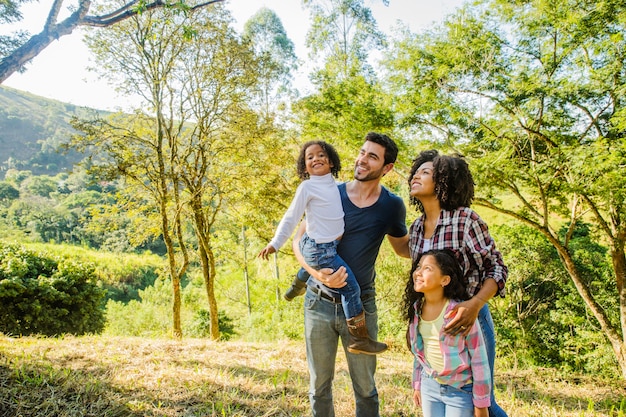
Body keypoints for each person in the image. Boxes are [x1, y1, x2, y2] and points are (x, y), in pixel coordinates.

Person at [292, 132, 409, 417]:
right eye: (362, 152)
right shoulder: (330, 193)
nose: (362, 160)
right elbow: (298, 241)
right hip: (318, 303)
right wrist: (316, 275)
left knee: (366, 387)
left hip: (361, 306)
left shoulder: (391, 206)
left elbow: (403, 249)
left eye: (373, 156)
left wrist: (438, 238)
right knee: (319, 386)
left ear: (387, 168)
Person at [259, 140, 386, 355]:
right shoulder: (307, 187)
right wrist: (275, 243)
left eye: (320, 155)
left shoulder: (333, 185)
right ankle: (359, 339)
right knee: (351, 288)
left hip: (323, 246)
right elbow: (291, 217)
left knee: (311, 263)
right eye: (309, 157)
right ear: (304, 165)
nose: (315, 159)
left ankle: (296, 287)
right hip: (321, 248)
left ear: (331, 160)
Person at [407, 149, 508, 417]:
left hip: (468, 321)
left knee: (483, 402)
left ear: (443, 182)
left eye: (425, 172)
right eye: (416, 171)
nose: (416, 175)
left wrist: (474, 305)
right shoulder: (416, 228)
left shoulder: (465, 220)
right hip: (431, 323)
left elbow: (496, 268)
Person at [404, 249, 491, 417]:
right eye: (419, 266)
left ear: (444, 280)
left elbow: (479, 359)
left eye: (427, 268)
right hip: (430, 386)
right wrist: (417, 384)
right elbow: (419, 353)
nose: (418, 272)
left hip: (459, 390)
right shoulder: (416, 310)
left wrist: (481, 403)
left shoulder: (459, 312)